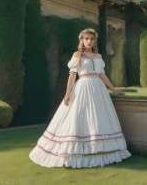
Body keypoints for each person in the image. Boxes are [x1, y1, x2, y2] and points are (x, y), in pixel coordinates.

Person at [29, 28, 131, 168]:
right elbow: (72, 76)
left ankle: (100, 150)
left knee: (98, 117)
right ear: (82, 41)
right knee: (80, 117)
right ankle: (75, 152)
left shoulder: (98, 57)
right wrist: (67, 94)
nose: (89, 41)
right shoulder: (77, 55)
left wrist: (114, 89)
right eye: (86, 39)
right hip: (83, 87)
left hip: (99, 90)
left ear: (95, 41)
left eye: (92, 39)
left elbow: (102, 75)